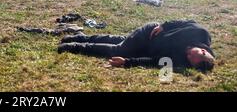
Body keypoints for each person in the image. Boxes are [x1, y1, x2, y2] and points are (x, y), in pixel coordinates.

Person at [59, 20, 215, 73]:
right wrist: (165, 26)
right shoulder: (200, 33)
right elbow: (185, 21)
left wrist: (127, 62)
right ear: (203, 50)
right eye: (191, 54)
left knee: (119, 42)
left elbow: (154, 61)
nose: (187, 55)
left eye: (190, 60)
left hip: (149, 48)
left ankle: (79, 37)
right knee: (119, 49)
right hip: (151, 33)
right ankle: (75, 46)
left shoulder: (183, 61)